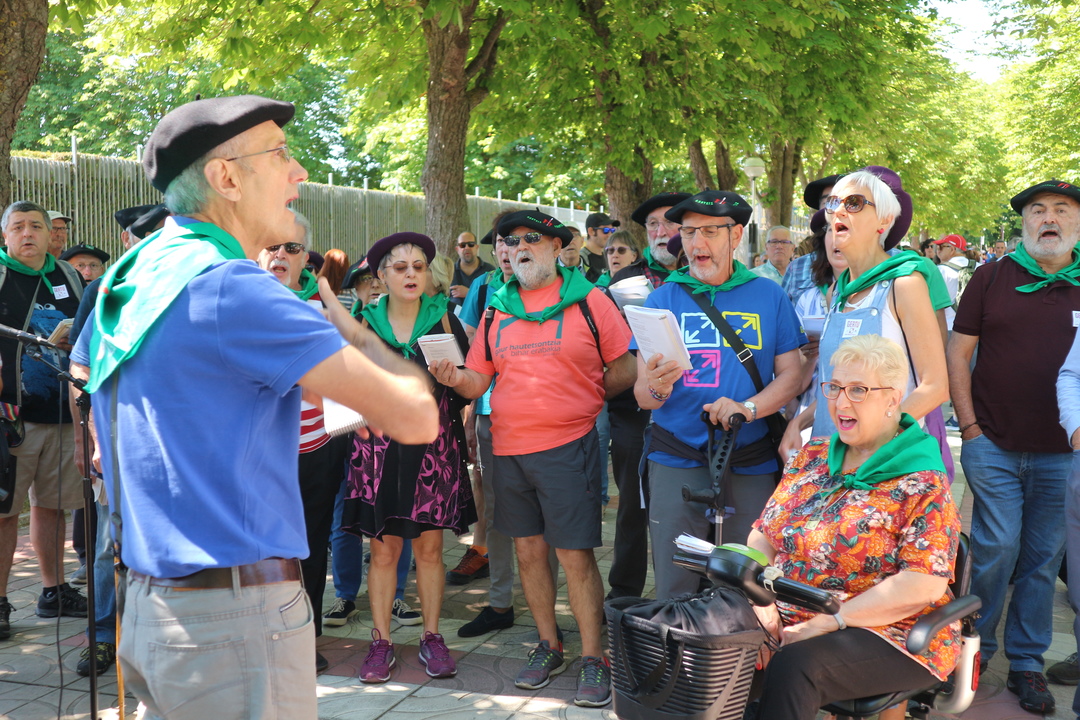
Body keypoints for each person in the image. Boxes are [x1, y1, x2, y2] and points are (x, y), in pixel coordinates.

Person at [69, 94, 438, 719]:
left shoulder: (137, 271)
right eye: (280, 154)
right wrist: (346, 325)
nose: (299, 172)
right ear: (226, 178)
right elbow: (416, 415)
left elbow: (93, 371)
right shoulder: (230, 286)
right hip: (231, 620)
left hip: (155, 609)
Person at [433, 208, 636, 707]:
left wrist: (584, 400)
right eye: (511, 240)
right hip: (508, 450)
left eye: (531, 238)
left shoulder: (590, 300)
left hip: (569, 447)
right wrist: (454, 379)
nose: (519, 247)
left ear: (555, 246)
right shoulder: (496, 306)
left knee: (574, 555)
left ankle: (594, 656)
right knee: (527, 552)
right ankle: (549, 644)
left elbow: (625, 368)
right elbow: (478, 378)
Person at [749, 334, 961, 720]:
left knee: (796, 665)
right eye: (834, 387)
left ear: (893, 399)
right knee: (711, 633)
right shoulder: (812, 456)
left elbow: (922, 585)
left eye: (859, 390)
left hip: (888, 629)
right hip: (790, 612)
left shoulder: (922, 480)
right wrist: (759, 599)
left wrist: (831, 621)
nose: (841, 403)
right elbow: (763, 534)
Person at [948, 179, 1080, 714]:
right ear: (1024, 222)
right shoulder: (990, 276)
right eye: (1038, 210)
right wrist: (969, 427)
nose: (1049, 218)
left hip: (1064, 455)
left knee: (1043, 560)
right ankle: (974, 650)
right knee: (996, 548)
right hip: (993, 444)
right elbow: (958, 354)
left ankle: (1027, 663)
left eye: (1062, 210)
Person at [634, 189, 805, 600]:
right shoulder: (662, 299)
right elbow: (643, 396)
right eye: (688, 232)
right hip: (676, 457)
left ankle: (743, 645)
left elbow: (792, 375)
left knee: (749, 583)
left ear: (736, 235)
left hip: (749, 459)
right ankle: (677, 642)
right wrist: (657, 385)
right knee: (675, 583)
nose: (697, 242)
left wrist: (748, 408)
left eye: (710, 231)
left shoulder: (769, 295)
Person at [341, 231, 476, 684]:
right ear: (381, 276)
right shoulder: (362, 323)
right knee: (383, 550)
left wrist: (453, 378)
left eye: (418, 266)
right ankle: (380, 642)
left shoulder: (445, 320)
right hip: (378, 450)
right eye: (400, 268)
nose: (411, 274)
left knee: (431, 548)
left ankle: (432, 636)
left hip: (432, 447)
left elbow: (469, 388)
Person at [779, 167, 951, 457]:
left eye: (854, 203)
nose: (839, 211)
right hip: (831, 457)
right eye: (833, 204)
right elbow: (842, 390)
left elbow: (935, 386)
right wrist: (798, 423)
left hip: (885, 461)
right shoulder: (837, 292)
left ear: (884, 220)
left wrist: (874, 443)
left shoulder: (905, 284)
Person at [69, 202, 167, 679]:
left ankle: (157, 634)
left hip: (172, 451)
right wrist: (86, 437)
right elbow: (80, 364)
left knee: (161, 543)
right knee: (109, 545)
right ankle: (104, 636)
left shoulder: (191, 291)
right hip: (114, 442)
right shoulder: (112, 295)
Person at [255, 213, 351, 674]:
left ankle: (302, 639)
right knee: (259, 547)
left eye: (292, 248)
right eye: (272, 245)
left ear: (304, 258)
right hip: (255, 451)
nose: (281, 254)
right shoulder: (239, 301)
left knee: (310, 545)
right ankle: (258, 637)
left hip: (316, 447)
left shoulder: (325, 305)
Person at [0, 201, 87, 643]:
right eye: (18, 227)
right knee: (4, 513)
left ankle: (54, 591)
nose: (28, 233)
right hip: (11, 416)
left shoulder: (67, 274)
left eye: (36, 225)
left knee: (52, 506)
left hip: (61, 412)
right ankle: (0, 602)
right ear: (5, 236)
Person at [782, 174, 843, 303]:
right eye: (829, 202)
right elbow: (784, 312)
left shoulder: (881, 265)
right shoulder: (797, 267)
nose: (837, 210)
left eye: (847, 201)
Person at [610, 191, 691, 287]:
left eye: (670, 222)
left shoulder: (703, 273)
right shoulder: (626, 278)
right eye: (653, 223)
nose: (660, 233)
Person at [932, 234, 971, 331]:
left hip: (948, 326)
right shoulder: (979, 267)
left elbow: (932, 302)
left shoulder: (941, 270)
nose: (938, 251)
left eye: (941, 247)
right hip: (975, 328)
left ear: (952, 249)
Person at [449, 231, 493, 306]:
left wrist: (469, 293)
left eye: (471, 244)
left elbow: (494, 297)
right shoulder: (449, 271)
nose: (467, 248)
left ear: (477, 247)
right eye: (462, 245)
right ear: (457, 249)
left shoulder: (490, 270)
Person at [581, 212, 618, 283]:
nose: (610, 235)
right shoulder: (581, 259)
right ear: (591, 231)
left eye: (612, 231)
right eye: (605, 230)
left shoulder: (609, 256)